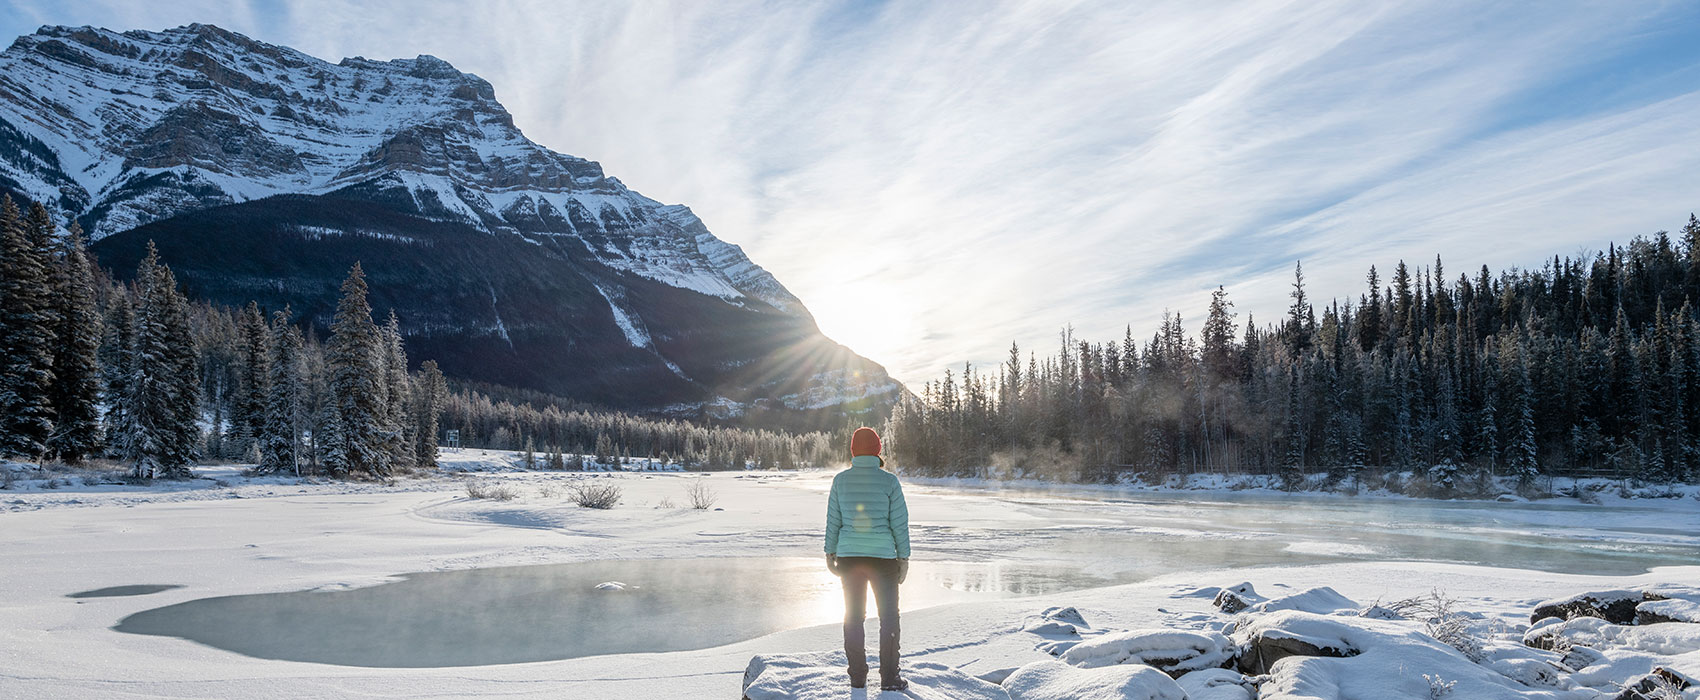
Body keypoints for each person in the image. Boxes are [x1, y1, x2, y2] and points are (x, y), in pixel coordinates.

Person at [824, 426, 911, 691]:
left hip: (850, 558)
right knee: (889, 618)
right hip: (883, 559)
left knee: (853, 617)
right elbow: (900, 524)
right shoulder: (889, 481)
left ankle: (858, 676)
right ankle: (889, 678)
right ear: (877, 451)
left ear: (853, 451)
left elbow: (833, 521)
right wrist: (903, 558)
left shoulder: (840, 480)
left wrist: (830, 552)